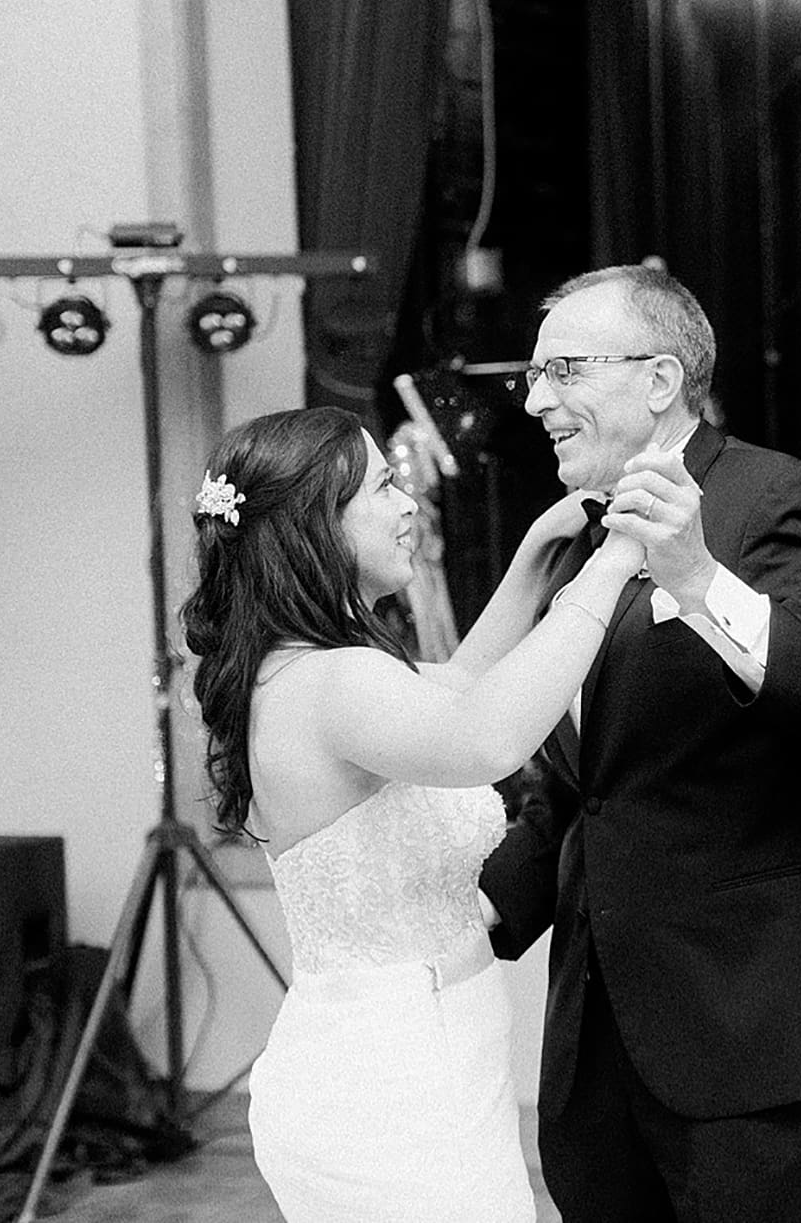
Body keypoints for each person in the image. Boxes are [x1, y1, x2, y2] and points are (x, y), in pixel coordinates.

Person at [479, 265, 801, 1221]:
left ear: (661, 380)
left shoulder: (775, 498)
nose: (538, 399)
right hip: (596, 1037)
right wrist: (461, 929)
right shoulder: (584, 534)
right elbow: (588, 786)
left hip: (746, 1022)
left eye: (563, 371)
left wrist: (703, 579)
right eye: (534, 376)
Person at [179, 405, 649, 1223]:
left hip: (427, 1051)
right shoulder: (334, 682)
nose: (410, 505)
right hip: (387, 1082)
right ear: (315, 528)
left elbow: (466, 685)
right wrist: (612, 571)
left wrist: (539, 553)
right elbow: (487, 738)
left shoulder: (320, 667)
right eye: (385, 486)